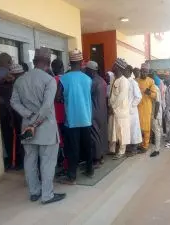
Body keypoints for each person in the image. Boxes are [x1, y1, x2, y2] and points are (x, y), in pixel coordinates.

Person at [10, 47, 65, 204]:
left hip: (27, 128)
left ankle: (34, 192)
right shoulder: (49, 80)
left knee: (30, 160)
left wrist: (28, 116)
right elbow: (47, 107)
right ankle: (47, 195)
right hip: (45, 128)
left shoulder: (20, 80)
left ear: (34, 62)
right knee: (47, 162)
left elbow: (13, 102)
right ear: (48, 63)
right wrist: (36, 121)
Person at [56, 49, 94, 184]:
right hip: (86, 118)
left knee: (72, 148)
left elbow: (57, 97)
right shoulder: (88, 79)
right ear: (81, 62)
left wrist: (67, 100)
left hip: (71, 120)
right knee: (87, 145)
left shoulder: (63, 79)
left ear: (70, 62)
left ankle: (72, 176)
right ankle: (90, 169)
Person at [0, 63, 24, 169]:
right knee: (20, 139)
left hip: (18, 117)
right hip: (17, 117)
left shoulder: (10, 86)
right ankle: (19, 162)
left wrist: (5, 79)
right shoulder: (9, 86)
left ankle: (18, 162)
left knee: (18, 139)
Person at [85, 61, 109, 166]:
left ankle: (97, 159)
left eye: (87, 70)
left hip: (94, 112)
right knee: (102, 134)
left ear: (91, 70)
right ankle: (102, 156)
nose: (85, 71)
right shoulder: (102, 81)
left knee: (94, 136)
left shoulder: (92, 82)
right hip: (102, 112)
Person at [108, 58, 131, 159]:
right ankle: (112, 150)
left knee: (121, 132)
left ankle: (121, 152)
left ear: (117, 67)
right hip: (113, 110)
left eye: (114, 65)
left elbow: (121, 96)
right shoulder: (114, 79)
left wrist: (112, 107)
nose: (112, 67)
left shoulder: (124, 81)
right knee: (112, 131)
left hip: (120, 111)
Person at [137, 63, 157, 152]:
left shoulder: (151, 81)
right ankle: (139, 144)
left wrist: (148, 92)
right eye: (143, 71)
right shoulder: (136, 81)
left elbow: (154, 95)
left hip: (146, 107)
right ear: (140, 71)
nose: (144, 73)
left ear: (148, 72)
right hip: (136, 107)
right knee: (138, 127)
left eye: (146, 72)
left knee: (146, 128)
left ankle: (145, 146)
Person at [123, 65, 142, 156]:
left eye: (126, 71)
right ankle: (129, 148)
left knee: (133, 130)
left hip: (132, 111)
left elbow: (138, 97)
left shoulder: (133, 83)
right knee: (127, 130)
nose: (124, 72)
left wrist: (131, 106)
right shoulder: (123, 81)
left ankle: (134, 149)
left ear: (130, 72)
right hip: (125, 111)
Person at [150, 77, 162, 157]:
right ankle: (156, 147)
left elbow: (157, 103)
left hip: (156, 114)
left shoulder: (155, 88)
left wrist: (154, 115)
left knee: (157, 131)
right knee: (155, 131)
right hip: (154, 113)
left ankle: (157, 150)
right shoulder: (152, 88)